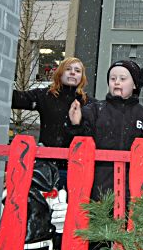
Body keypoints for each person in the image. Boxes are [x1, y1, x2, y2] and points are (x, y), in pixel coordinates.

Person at [67, 60, 143, 202]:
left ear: (134, 85)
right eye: (113, 79)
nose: (117, 82)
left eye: (123, 79)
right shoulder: (94, 111)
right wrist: (75, 124)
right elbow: (78, 146)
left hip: (133, 193)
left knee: (131, 222)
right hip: (98, 190)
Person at [11, 57, 95, 190]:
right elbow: (14, 98)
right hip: (45, 167)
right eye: (68, 69)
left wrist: (77, 124)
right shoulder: (45, 96)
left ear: (82, 77)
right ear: (60, 73)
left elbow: (92, 134)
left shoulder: (89, 103)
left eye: (77, 70)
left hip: (75, 167)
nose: (73, 72)